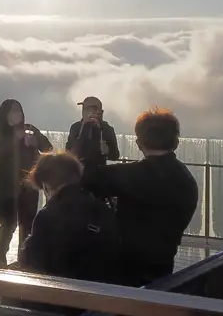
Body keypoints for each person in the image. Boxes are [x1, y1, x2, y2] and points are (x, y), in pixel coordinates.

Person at [85, 107, 198, 286]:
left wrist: (90, 134)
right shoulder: (187, 179)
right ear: (176, 143)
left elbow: (87, 176)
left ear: (139, 144)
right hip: (163, 266)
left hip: (124, 272)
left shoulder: (131, 175)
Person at [18, 152, 120, 284]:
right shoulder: (102, 209)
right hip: (101, 291)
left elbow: (32, 263)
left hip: (61, 295)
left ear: (46, 184)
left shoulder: (47, 215)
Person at [0, 98, 54, 267]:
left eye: (19, 110)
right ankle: (0, 257)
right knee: (8, 225)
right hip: (7, 187)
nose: (18, 114)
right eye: (13, 111)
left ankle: (23, 260)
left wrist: (36, 142)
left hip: (29, 186)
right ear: (5, 115)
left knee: (27, 225)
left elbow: (49, 149)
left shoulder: (30, 130)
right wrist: (16, 139)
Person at [66, 96, 121, 176]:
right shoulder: (76, 127)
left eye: (89, 109)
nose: (85, 112)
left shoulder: (106, 129)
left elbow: (115, 155)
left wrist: (106, 149)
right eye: (84, 109)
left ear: (100, 113)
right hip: (79, 174)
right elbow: (69, 153)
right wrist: (83, 130)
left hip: (99, 175)